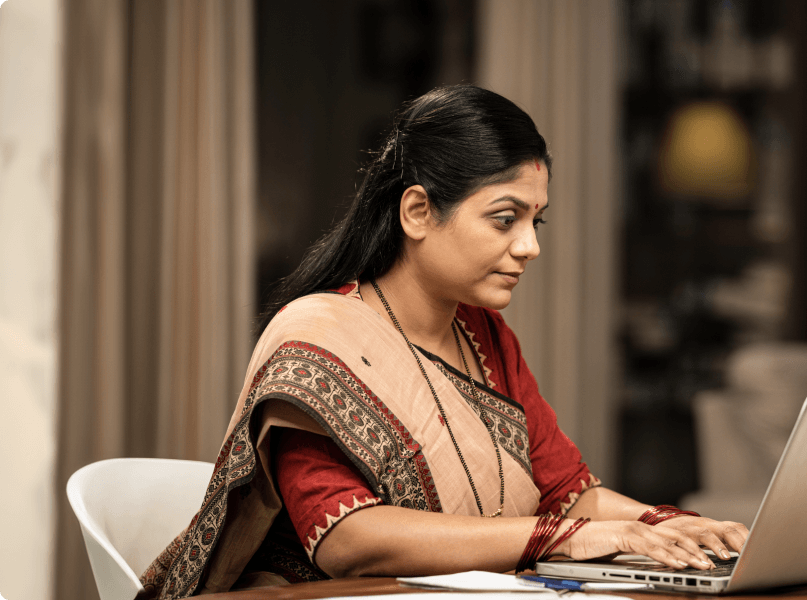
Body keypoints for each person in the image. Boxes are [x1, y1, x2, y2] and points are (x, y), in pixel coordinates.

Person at [140, 85, 749, 598]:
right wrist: (561, 539)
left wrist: (672, 526)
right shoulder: (317, 341)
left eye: (535, 222)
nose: (529, 246)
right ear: (417, 213)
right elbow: (346, 541)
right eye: (504, 219)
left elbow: (570, 495)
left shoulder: (484, 336)